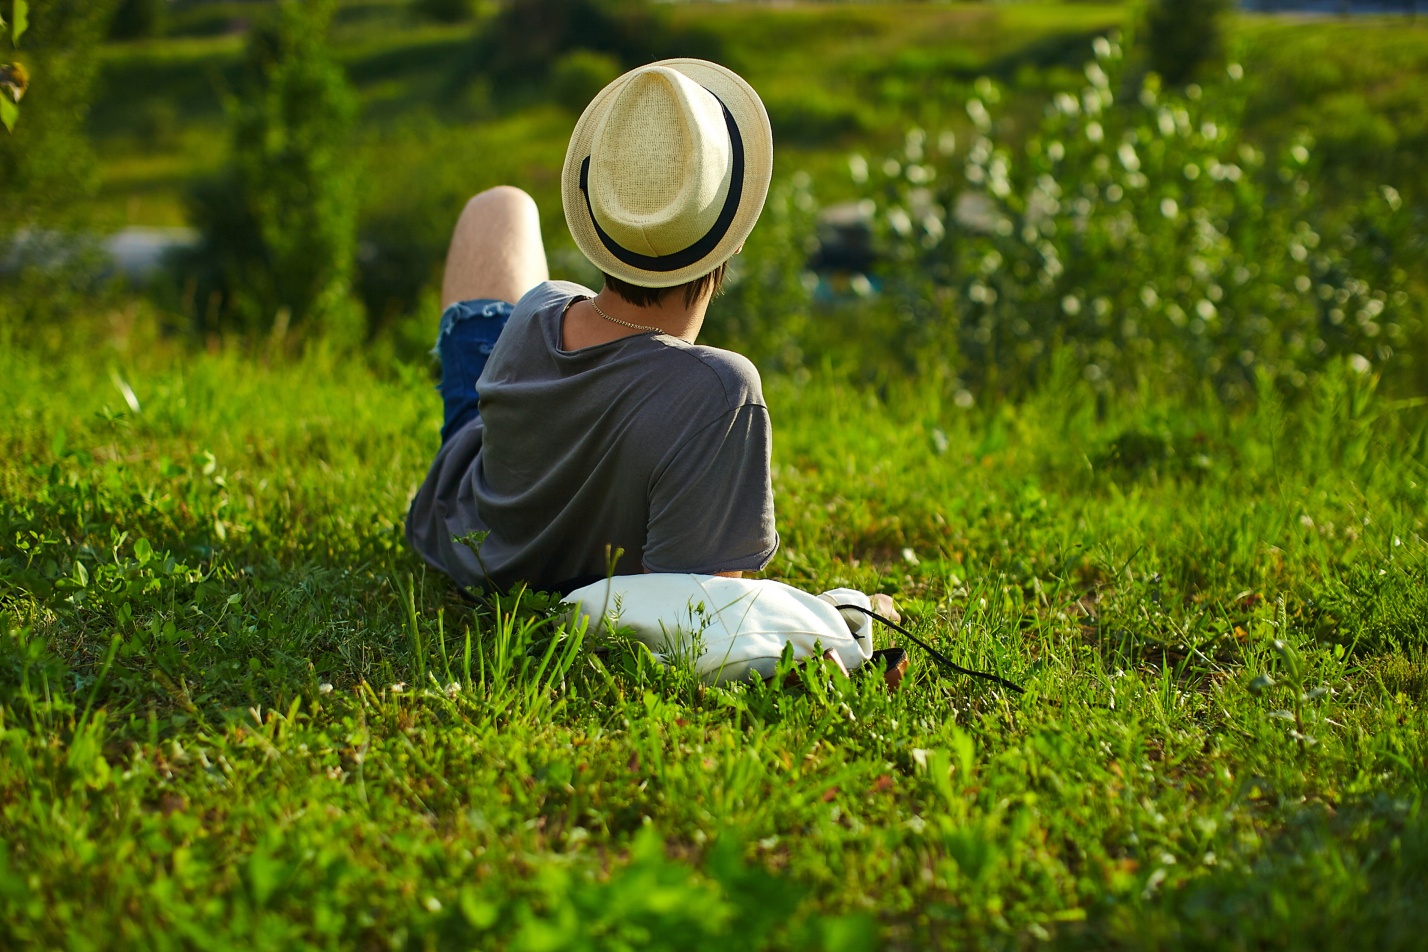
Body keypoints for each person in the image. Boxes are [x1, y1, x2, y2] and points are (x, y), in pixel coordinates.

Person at [406, 59, 779, 595]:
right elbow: (701, 614)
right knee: (502, 208)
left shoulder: (539, 311)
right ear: (734, 236)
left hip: (463, 525)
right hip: (524, 537)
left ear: (600, 223)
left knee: (500, 206)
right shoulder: (718, 394)